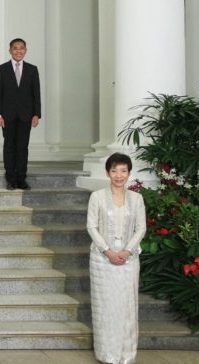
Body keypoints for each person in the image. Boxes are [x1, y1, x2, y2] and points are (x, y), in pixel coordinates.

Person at [87, 153, 146, 364]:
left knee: (127, 307)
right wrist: (107, 251)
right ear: (107, 172)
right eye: (114, 170)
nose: (118, 175)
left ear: (129, 173)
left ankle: (126, 354)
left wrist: (128, 251)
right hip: (102, 260)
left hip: (129, 260)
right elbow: (91, 226)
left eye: (123, 171)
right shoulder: (97, 197)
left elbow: (141, 228)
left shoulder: (137, 198)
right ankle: (107, 354)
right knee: (106, 306)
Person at [0, 37, 41, 190]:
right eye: (15, 48)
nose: (18, 51)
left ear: (25, 50)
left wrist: (36, 114)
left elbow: (36, 93)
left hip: (26, 115)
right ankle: (11, 179)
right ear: (10, 50)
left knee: (22, 147)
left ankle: (21, 178)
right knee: (9, 146)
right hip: (7, 116)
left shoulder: (32, 70)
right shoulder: (1, 69)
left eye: (21, 48)